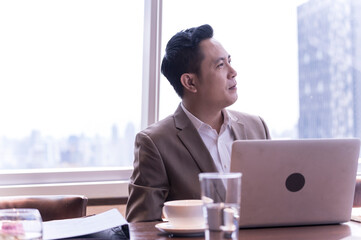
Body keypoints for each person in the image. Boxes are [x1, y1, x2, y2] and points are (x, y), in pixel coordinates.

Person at [125, 24, 271, 222]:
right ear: (190, 82)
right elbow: (141, 227)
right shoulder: (155, 143)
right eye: (220, 65)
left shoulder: (257, 127)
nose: (233, 71)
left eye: (229, 61)